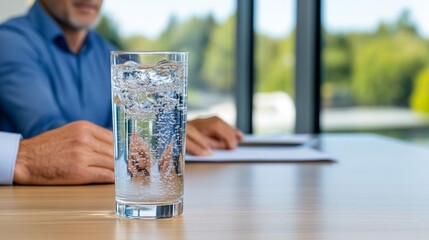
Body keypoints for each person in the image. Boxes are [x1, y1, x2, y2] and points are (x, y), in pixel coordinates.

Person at [0, 0, 243, 185]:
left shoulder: (111, 53)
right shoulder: (9, 42)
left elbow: (132, 129)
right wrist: (155, 137)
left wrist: (174, 131)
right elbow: (56, 141)